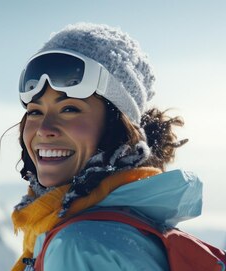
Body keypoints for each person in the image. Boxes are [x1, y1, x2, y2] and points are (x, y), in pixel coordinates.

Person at [10, 22, 197, 271]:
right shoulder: (122, 225)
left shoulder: (79, 245)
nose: (44, 129)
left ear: (117, 128)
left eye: (69, 109)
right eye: (35, 112)